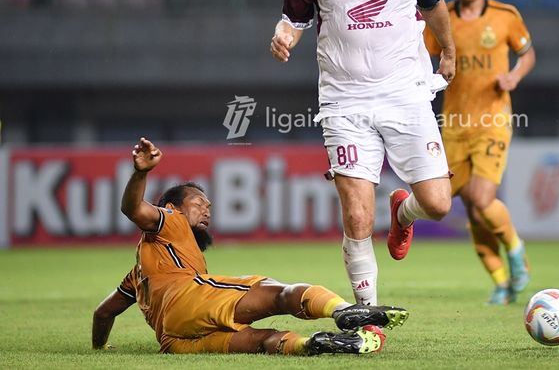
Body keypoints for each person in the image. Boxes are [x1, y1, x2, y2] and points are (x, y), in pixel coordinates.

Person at [270, 0, 456, 305]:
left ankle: (402, 212)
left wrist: (448, 49)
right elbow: (293, 19)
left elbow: (431, 2)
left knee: (439, 204)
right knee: (356, 213)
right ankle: (367, 315)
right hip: (345, 102)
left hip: (406, 93)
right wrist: (283, 36)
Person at [91, 137, 409, 355]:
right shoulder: (170, 220)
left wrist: (100, 350)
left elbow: (103, 313)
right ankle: (344, 311)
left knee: (259, 341)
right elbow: (134, 210)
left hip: (174, 341)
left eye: (209, 206)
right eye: (199, 203)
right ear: (173, 207)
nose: (207, 210)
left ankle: (312, 344)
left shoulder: (139, 272)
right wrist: (140, 173)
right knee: (274, 292)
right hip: (189, 302)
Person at [424, 0, 535, 305]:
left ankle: (517, 253)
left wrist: (514, 77)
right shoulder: (441, 18)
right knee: (469, 206)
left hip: (493, 121)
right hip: (453, 125)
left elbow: (527, 54)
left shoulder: (505, 16)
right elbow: (420, 58)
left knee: (482, 197)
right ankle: (502, 281)